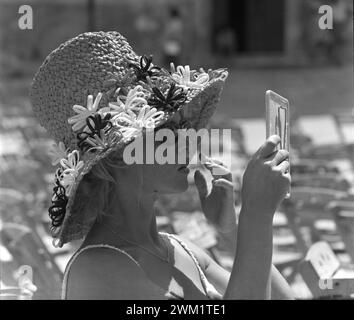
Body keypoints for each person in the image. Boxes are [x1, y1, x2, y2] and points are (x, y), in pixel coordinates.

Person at [30, 31, 293, 300]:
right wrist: (256, 214)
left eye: (183, 126)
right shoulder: (98, 270)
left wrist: (232, 231)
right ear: (119, 155)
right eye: (167, 130)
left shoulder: (179, 249)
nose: (186, 141)